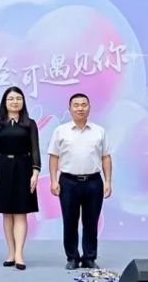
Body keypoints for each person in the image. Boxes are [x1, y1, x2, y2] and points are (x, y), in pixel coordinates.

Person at [48, 93, 113, 270]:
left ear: (89, 107)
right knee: (70, 221)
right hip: (68, 182)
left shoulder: (99, 131)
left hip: (94, 182)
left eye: (84, 104)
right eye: (76, 105)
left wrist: (108, 181)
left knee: (91, 221)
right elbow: (54, 157)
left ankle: (89, 257)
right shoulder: (60, 131)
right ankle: (72, 257)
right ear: (69, 109)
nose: (80, 108)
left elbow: (106, 157)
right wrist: (53, 180)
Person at [0, 86, 41, 271]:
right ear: (5, 102)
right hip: (2, 168)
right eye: (11, 99)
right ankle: (10, 252)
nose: (15, 102)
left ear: (23, 102)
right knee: (7, 213)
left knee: (21, 212)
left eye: (18, 98)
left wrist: (35, 172)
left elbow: (35, 149)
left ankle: (19, 254)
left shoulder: (29, 124)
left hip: (24, 168)